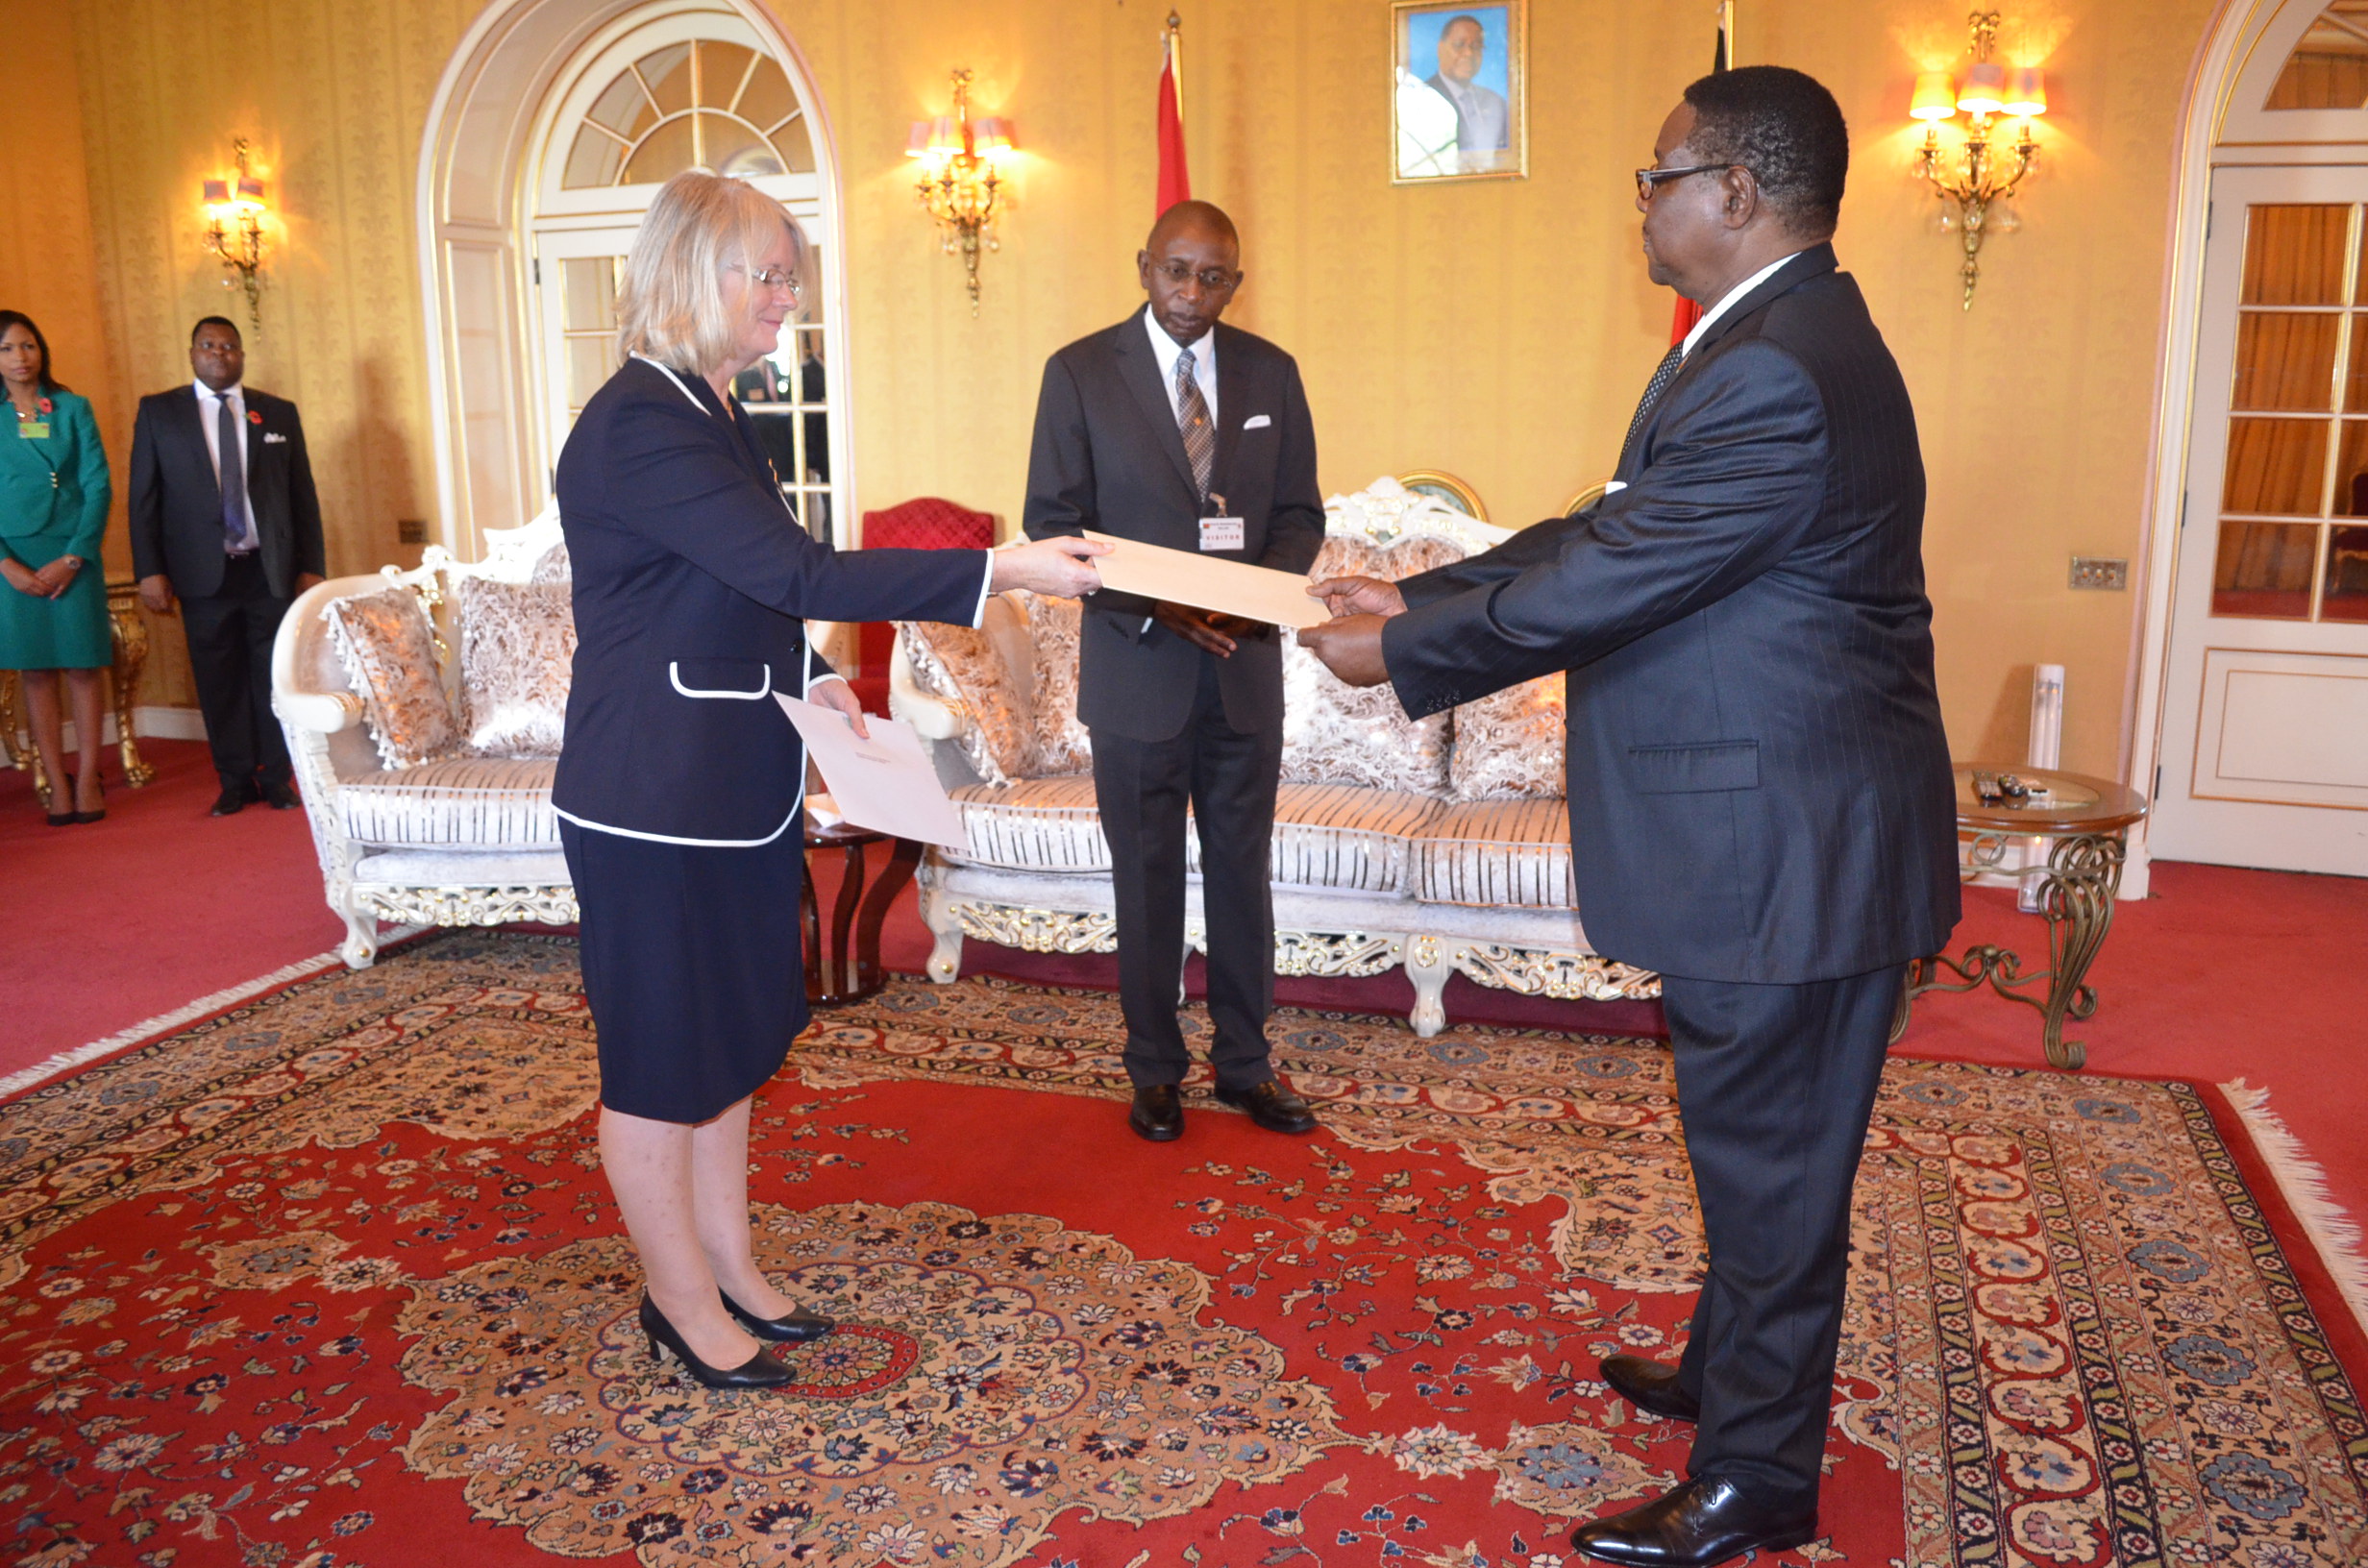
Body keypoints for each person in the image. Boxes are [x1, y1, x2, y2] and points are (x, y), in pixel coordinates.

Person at [1300, 66, 1960, 1568]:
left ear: (1736, 191)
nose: (1642, 204)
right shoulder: (1762, 344)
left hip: (1787, 852)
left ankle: (1758, 1486)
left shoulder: (1781, 367)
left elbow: (1614, 583)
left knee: (1778, 1170)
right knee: (1758, 1150)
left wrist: (1403, 649)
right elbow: (1613, 524)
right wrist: (1420, 587)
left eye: (1656, 175)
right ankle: (1735, 1377)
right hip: (1780, 835)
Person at [554, 169, 1103, 1391]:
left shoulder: (711, 408)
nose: (786, 296)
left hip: (733, 784)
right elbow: (793, 568)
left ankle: (734, 1267)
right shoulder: (639, 420)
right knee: (661, 1063)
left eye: (791, 274)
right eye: (769, 272)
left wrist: (827, 699)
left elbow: (737, 594)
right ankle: (679, 1304)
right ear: (696, 271)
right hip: (651, 799)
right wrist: (1000, 566)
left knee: (735, 1044)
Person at [1022, 199, 1325, 1145]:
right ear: (1143, 264)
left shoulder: (1271, 371)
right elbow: (1051, 522)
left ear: (1235, 280)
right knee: (1145, 880)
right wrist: (1159, 602)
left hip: (1241, 668)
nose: (1193, 293)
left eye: (1214, 276)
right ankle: (1153, 1070)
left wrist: (1248, 598)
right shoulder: (1077, 373)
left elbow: (1300, 514)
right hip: (1138, 669)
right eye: (1177, 270)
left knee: (1242, 876)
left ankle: (1244, 1065)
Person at [128, 317, 326, 817]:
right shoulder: (159, 413)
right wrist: (149, 569)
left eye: (230, 347)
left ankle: (277, 777)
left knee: (274, 676)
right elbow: (143, 497)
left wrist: (311, 567)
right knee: (219, 679)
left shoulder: (277, 412)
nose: (220, 354)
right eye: (209, 345)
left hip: (270, 570)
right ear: (192, 352)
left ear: (242, 354)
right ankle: (235, 780)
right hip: (201, 573)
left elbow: (302, 495)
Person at [0, 310, 112, 826]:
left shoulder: (71, 407)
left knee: (83, 666)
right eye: (6, 349)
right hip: (14, 560)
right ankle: (54, 780)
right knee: (38, 671)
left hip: (73, 553)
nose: (20, 358)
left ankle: (89, 777)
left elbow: (98, 485)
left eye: (27, 346)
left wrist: (74, 555)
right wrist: (7, 566)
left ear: (41, 349)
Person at [1425, 14, 1510, 168]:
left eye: (1476, 46)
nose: (1469, 53)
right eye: (1459, 45)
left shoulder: (1496, 103)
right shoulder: (1420, 98)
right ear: (1440, 49)